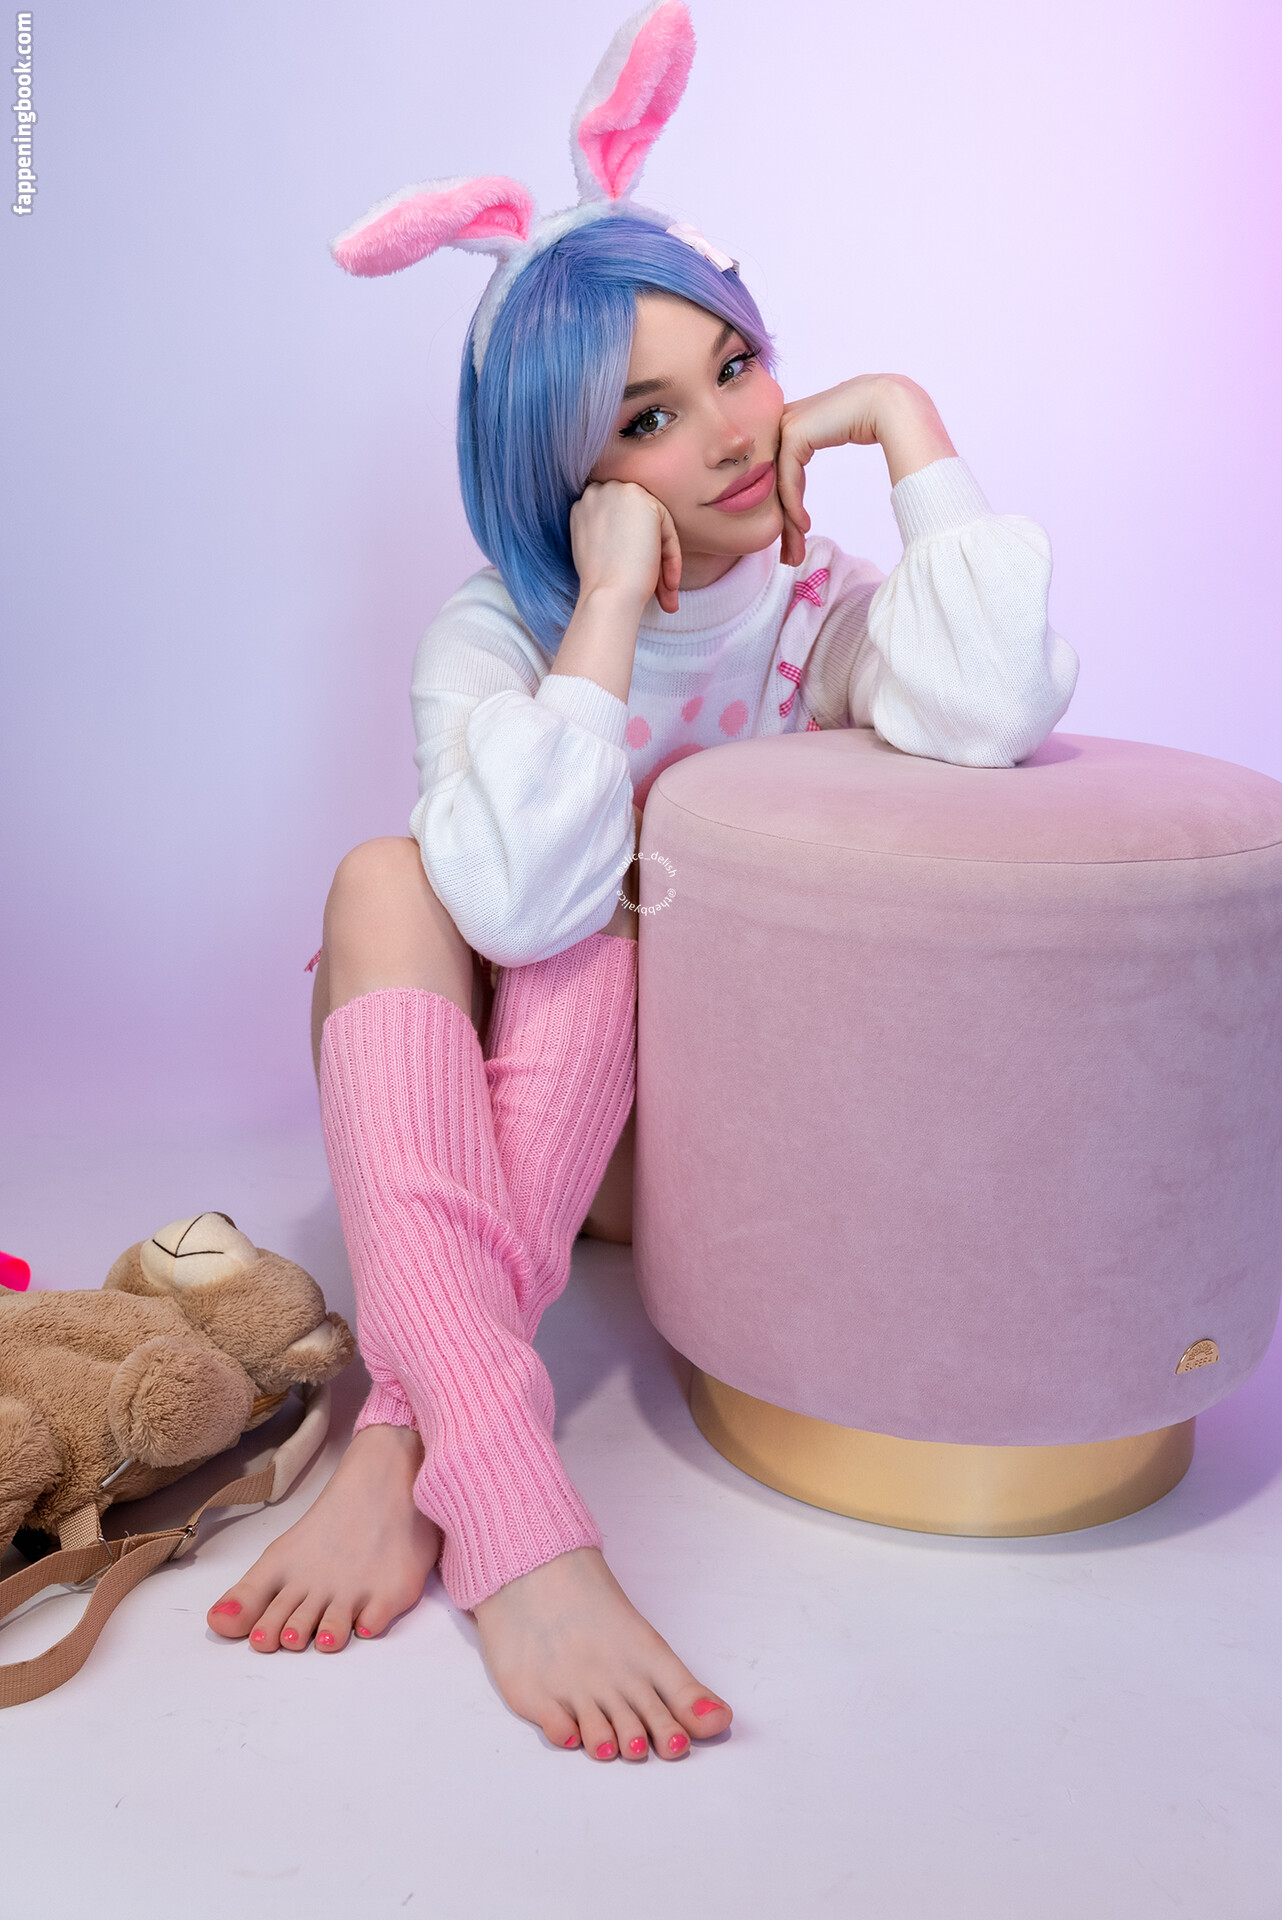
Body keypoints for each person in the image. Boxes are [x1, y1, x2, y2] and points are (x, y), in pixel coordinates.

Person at [205, 1, 1078, 1763]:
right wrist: (603, 609)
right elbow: (514, 912)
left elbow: (994, 709)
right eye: (650, 418)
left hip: (675, 1156)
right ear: (572, 477)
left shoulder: (818, 615)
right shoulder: (497, 630)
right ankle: (514, 1518)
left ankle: (403, 1442)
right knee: (403, 881)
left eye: (737, 367)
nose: (734, 433)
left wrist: (901, 416)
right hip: (510, 1127)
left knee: (603, 930)